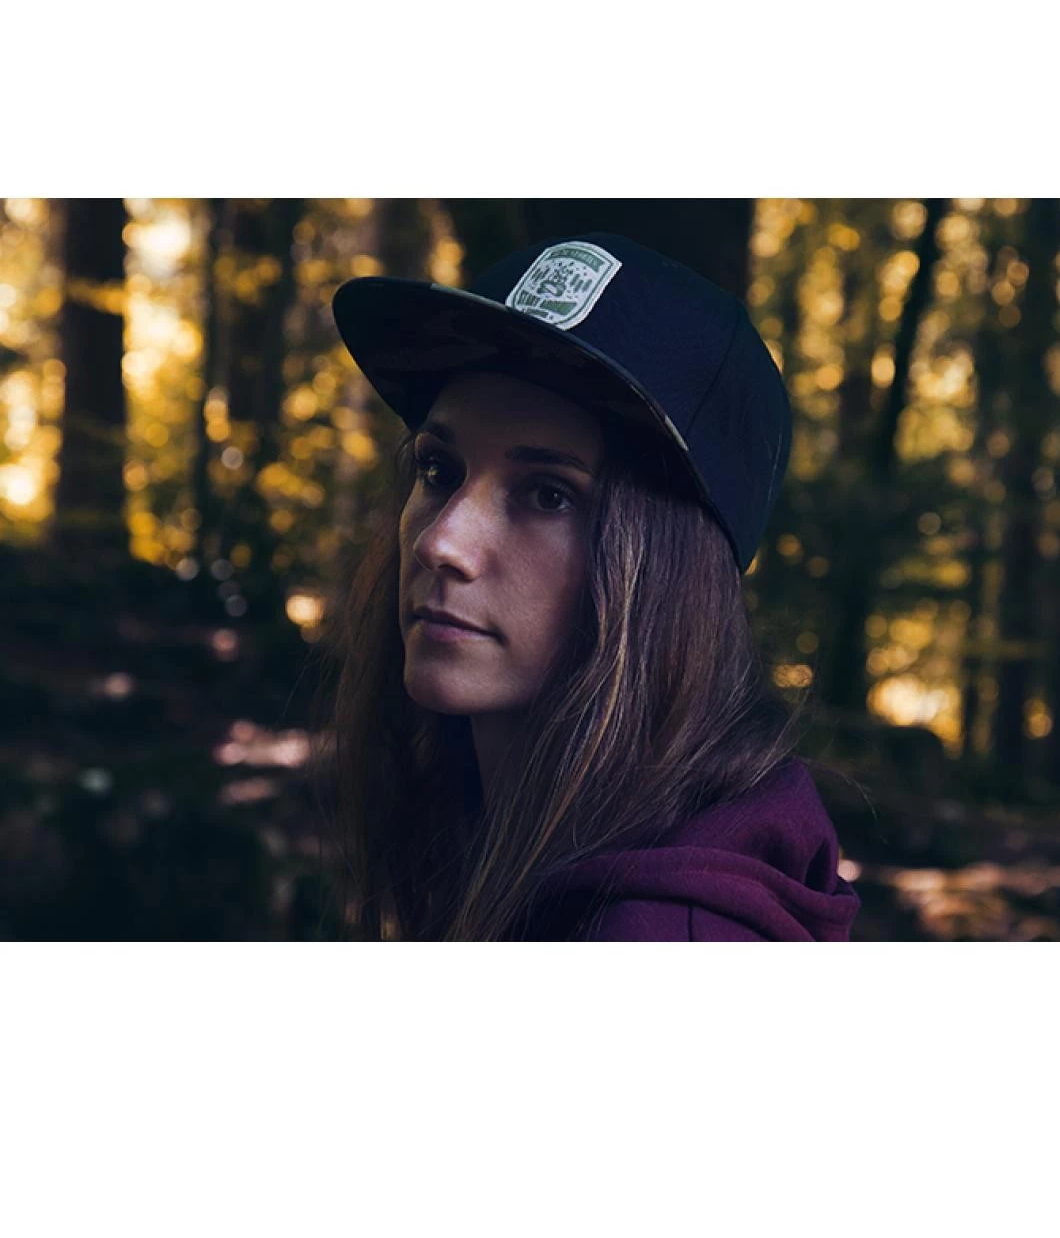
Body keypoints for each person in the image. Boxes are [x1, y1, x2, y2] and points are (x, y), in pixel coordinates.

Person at [320, 231, 861, 941]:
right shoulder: (483, 828)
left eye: (549, 495)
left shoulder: (663, 933)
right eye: (438, 471)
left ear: (673, 574)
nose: (440, 543)